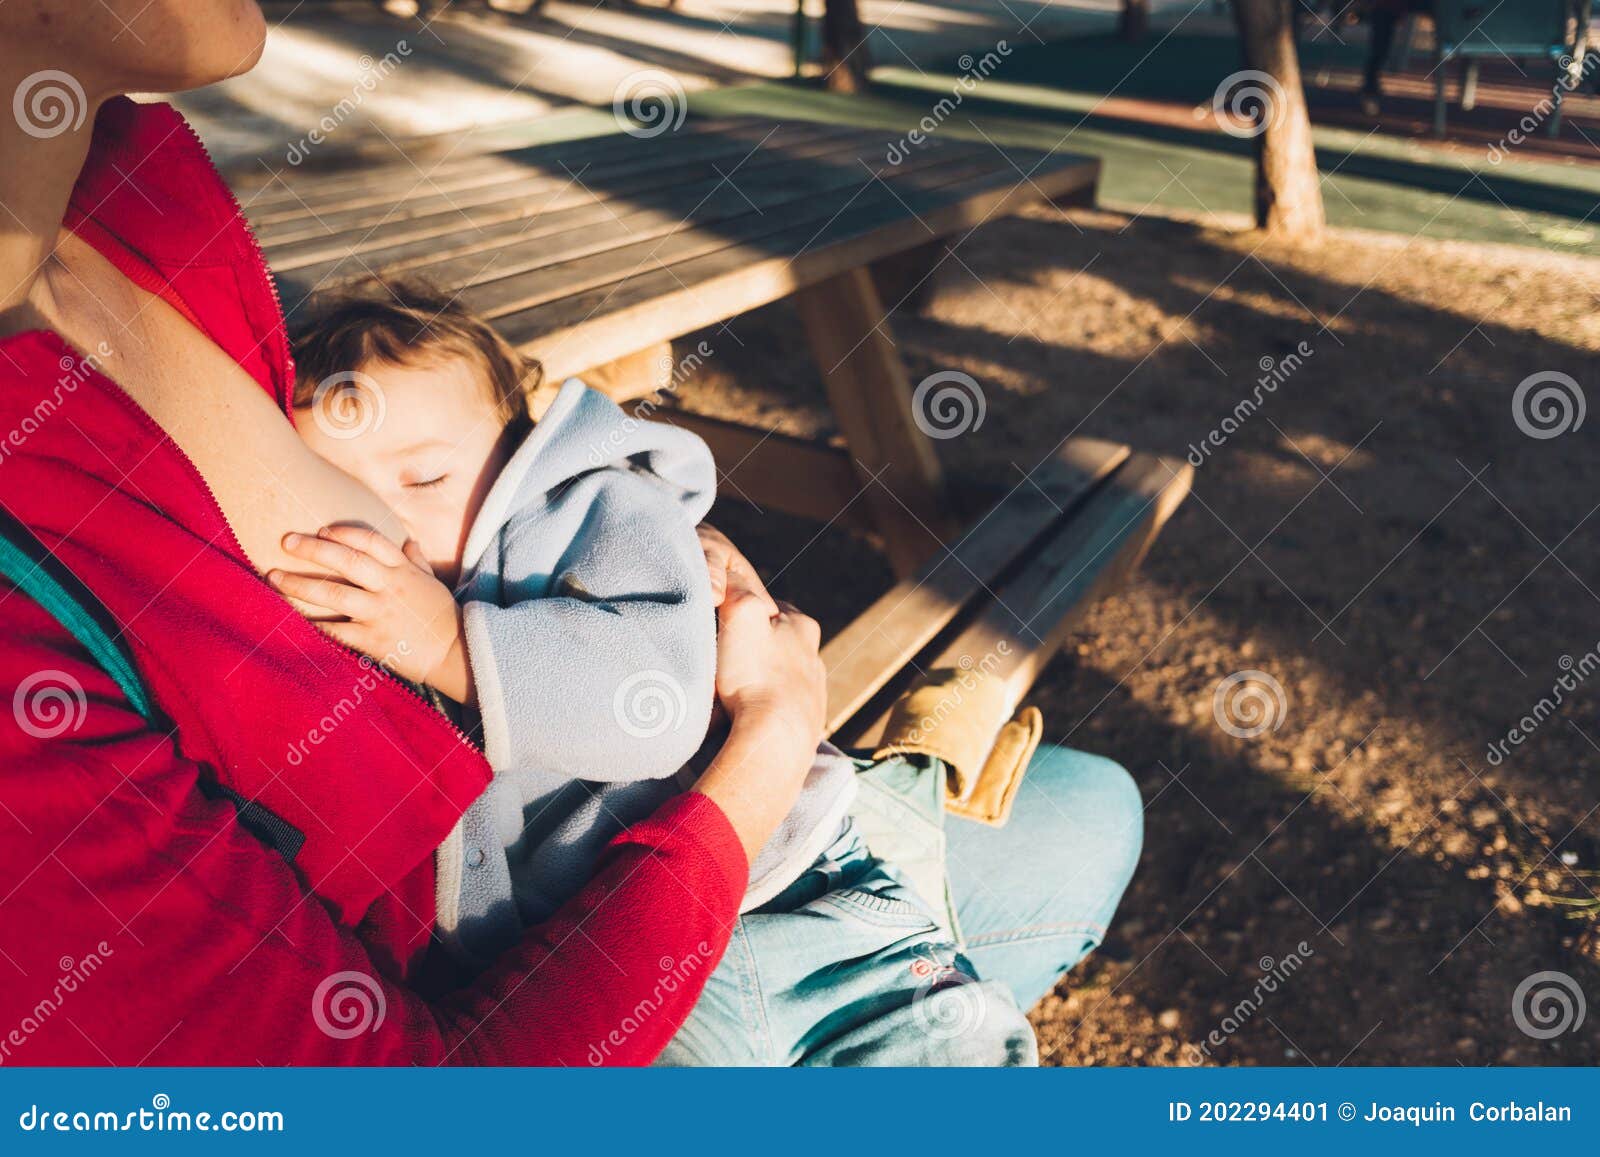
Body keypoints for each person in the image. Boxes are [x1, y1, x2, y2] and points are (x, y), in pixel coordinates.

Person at [0, 0, 1143, 1066]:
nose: (391, 513)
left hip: (760, 863)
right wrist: (771, 733)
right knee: (939, 1015)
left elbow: (637, 678)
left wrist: (481, 637)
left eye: (432, 475)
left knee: (1079, 831)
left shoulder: (122, 173)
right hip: (618, 941)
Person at [275, 284, 1032, 1062]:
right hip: (617, 958)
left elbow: (657, 707)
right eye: (349, 492)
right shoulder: (383, 609)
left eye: (425, 478)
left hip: (784, 901)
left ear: (518, 451)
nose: (388, 520)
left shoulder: (596, 513)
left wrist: (446, 645)